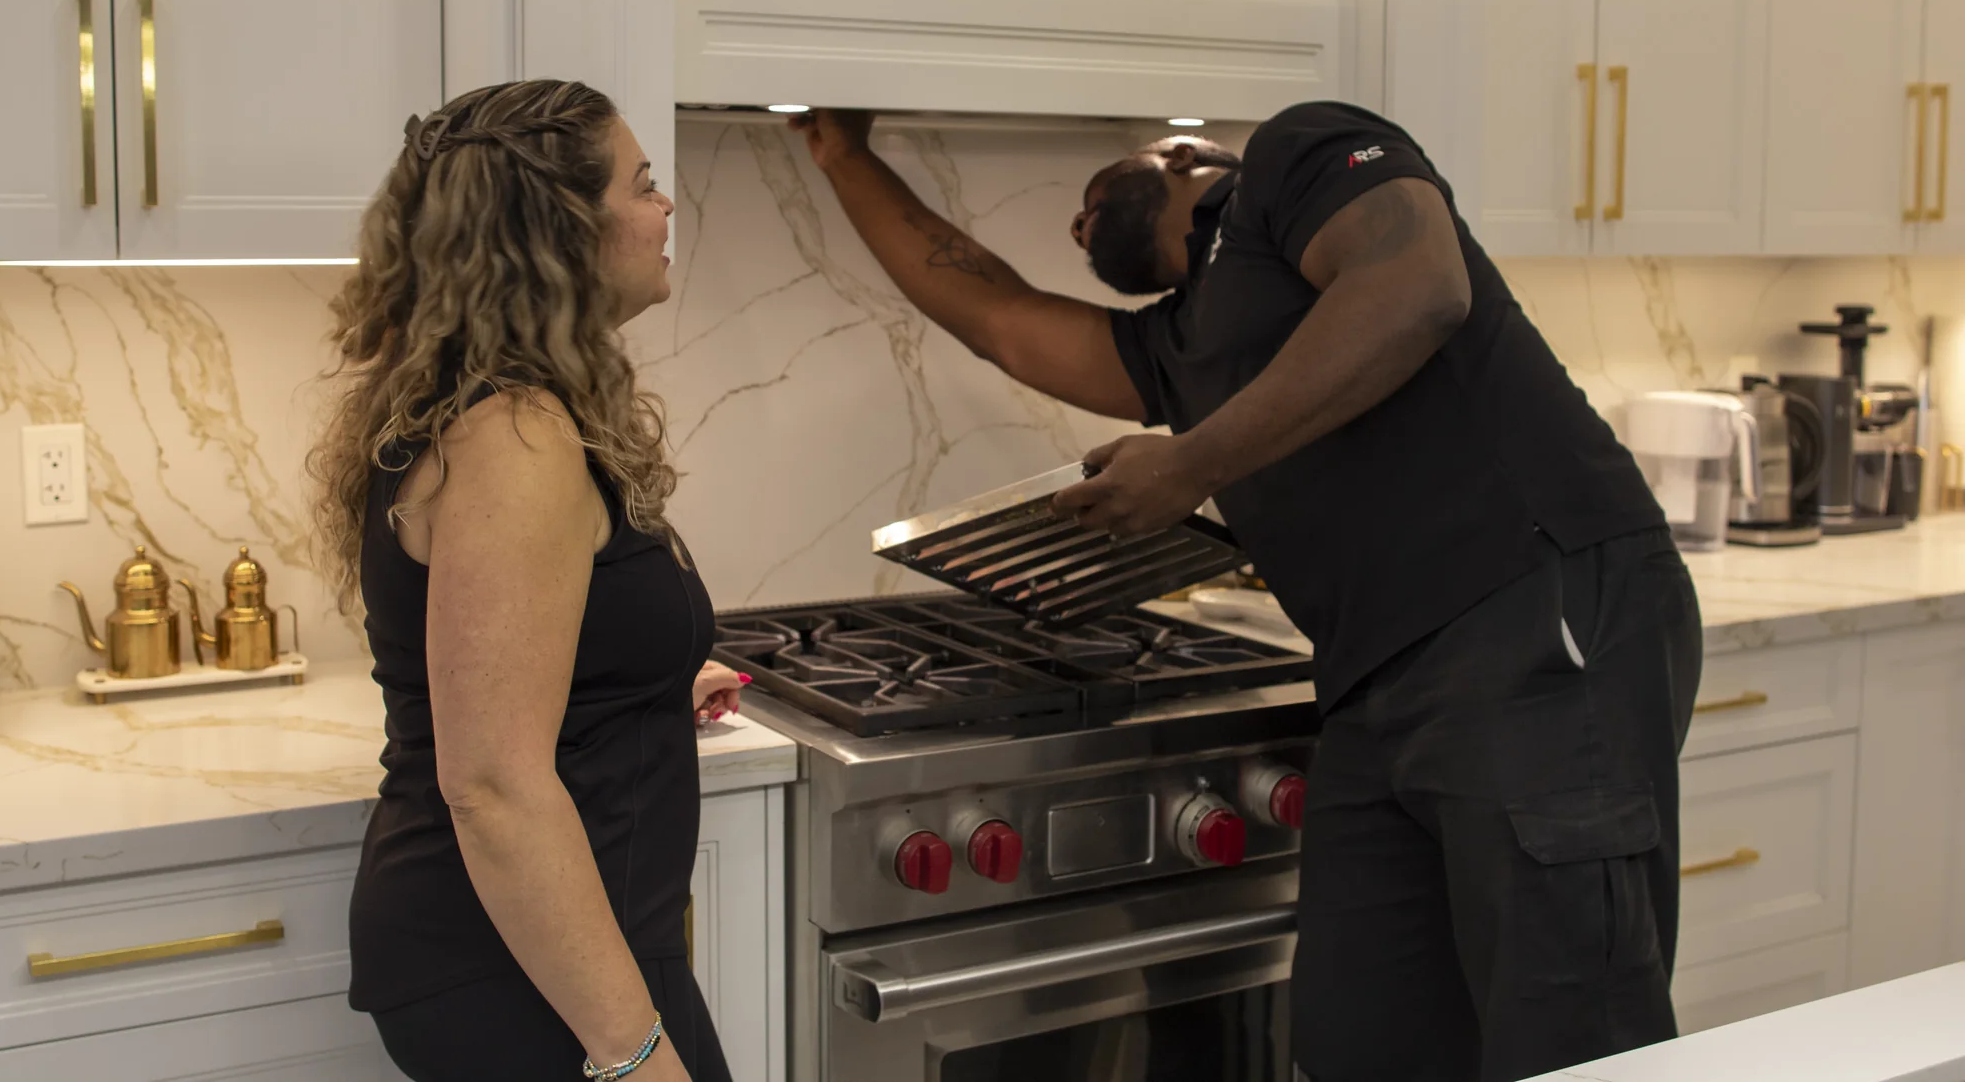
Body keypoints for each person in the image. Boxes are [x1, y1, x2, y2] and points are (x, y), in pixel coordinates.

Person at [791, 104, 1702, 1082]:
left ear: (1183, 154)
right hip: (1373, 681)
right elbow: (998, 319)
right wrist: (844, 156)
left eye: (1094, 194)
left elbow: (1415, 285)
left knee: (1570, 1030)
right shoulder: (1179, 346)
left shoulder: (1295, 156)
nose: (1077, 224)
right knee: (1362, 1041)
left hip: (1530, 615)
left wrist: (1191, 463)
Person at [311, 79, 740, 1082]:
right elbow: (493, 785)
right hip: (522, 967)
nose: (664, 208)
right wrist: (633, 1055)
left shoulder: (490, 409)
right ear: (560, 230)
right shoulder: (514, 436)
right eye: (641, 184)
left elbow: (506, 672)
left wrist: (639, 689)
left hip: (548, 943)